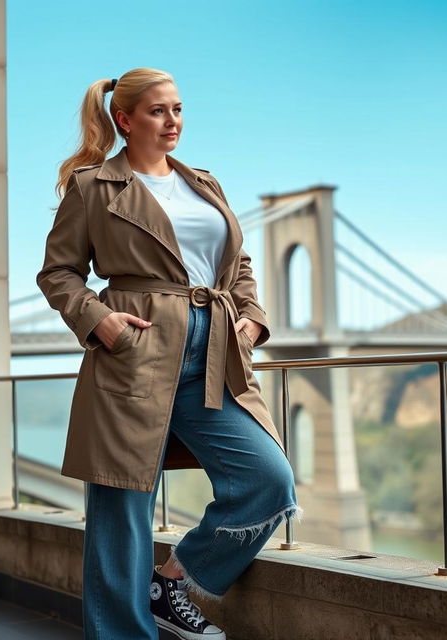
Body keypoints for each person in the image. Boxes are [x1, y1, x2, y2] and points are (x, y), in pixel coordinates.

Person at [36, 67, 303, 640]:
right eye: (158, 111)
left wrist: (252, 319)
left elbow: (240, 265)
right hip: (137, 353)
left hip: (216, 359)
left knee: (268, 480)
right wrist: (99, 320)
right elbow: (58, 272)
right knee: (122, 516)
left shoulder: (205, 183)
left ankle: (174, 581)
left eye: (178, 109)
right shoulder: (93, 187)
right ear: (125, 120)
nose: (173, 120)